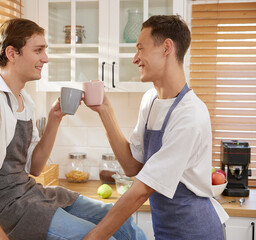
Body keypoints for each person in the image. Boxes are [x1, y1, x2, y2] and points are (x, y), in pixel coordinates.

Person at [0, 18, 147, 240]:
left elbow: (35, 167)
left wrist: (55, 119)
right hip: (10, 209)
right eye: (38, 50)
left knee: (122, 221)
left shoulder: (24, 100)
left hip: (31, 194)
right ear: (12, 53)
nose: (45, 58)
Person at [83, 15, 229, 240]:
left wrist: (92, 238)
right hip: (167, 230)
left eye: (141, 48)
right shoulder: (150, 100)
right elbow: (133, 167)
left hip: (197, 231)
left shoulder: (190, 114)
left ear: (167, 48)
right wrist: (105, 112)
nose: (135, 58)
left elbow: (142, 190)